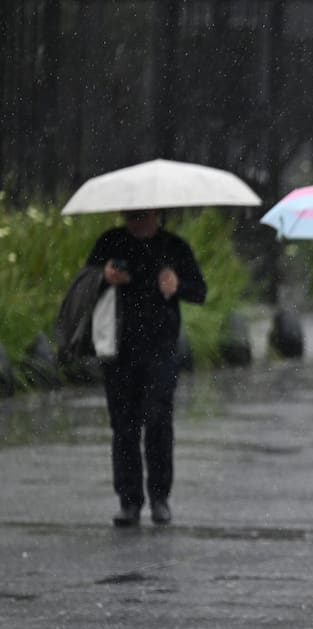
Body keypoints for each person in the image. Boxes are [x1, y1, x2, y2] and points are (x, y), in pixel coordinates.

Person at [85, 209, 207, 527]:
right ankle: (129, 500)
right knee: (124, 426)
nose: (138, 221)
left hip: (161, 347)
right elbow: (84, 286)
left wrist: (176, 286)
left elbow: (199, 291)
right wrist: (104, 277)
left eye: (143, 216)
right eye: (132, 216)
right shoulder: (110, 242)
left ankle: (159, 497)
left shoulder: (173, 247)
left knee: (158, 420)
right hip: (118, 347)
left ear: (156, 214)